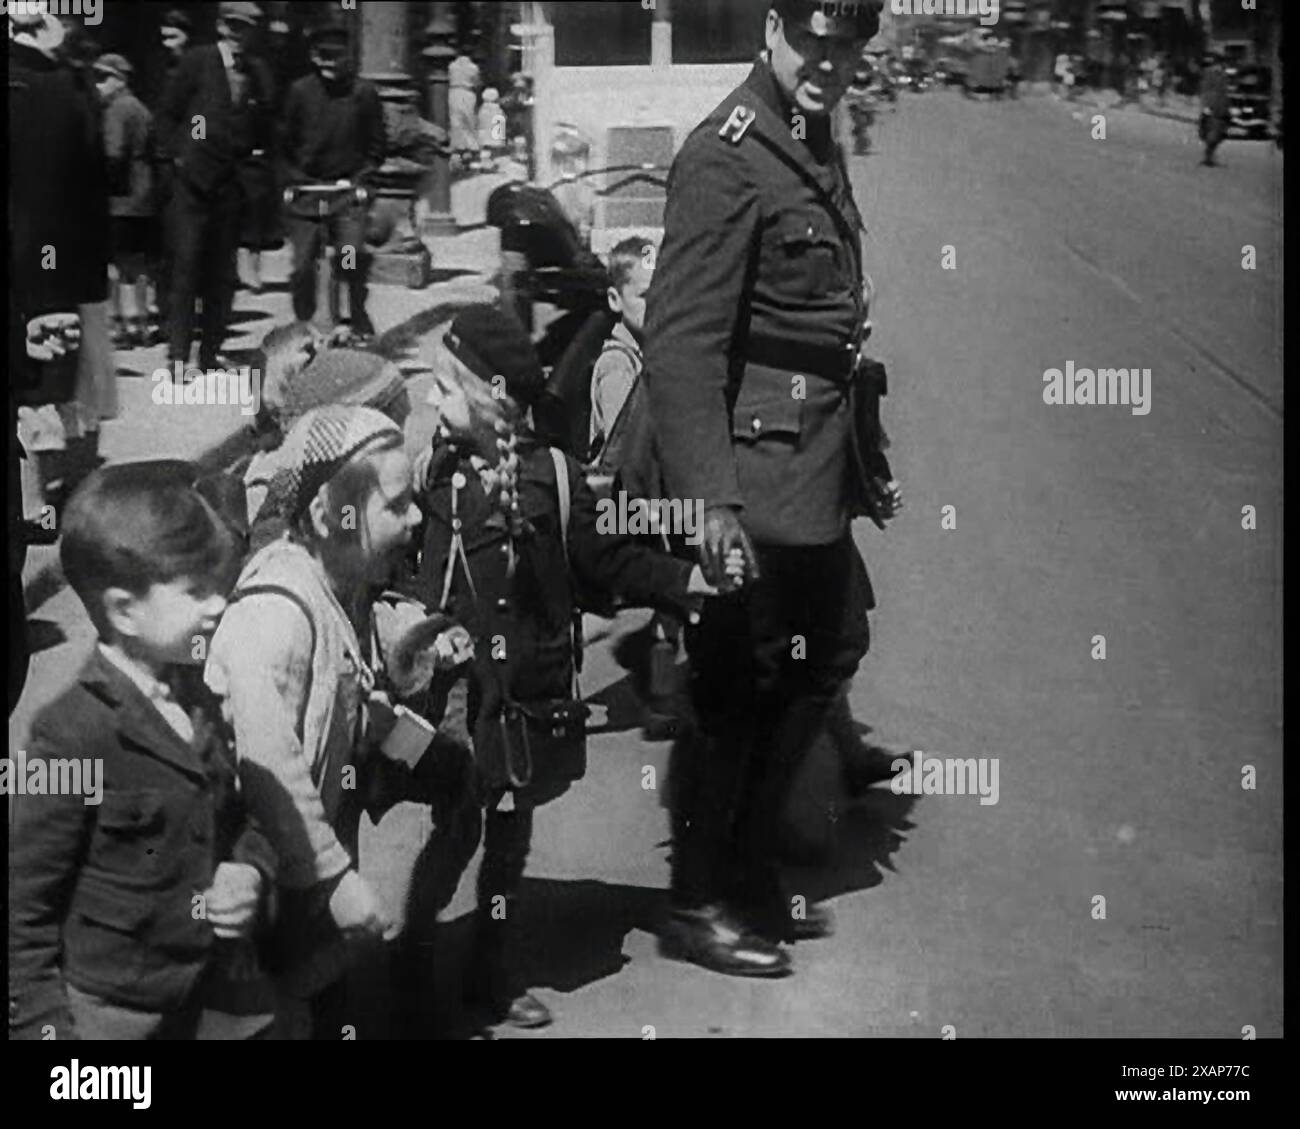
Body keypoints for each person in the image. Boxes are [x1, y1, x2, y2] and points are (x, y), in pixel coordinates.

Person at [641, 0, 906, 979]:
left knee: (826, 647)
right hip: (751, 479)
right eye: (813, 39)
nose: (829, 61)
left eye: (849, 43)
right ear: (771, 26)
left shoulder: (809, 136)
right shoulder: (725, 153)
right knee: (734, 689)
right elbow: (680, 342)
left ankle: (742, 870)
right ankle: (699, 899)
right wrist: (707, 503)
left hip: (810, 464)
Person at [409, 305, 726, 1031]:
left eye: (445, 389)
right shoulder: (433, 477)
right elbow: (404, 577)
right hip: (458, 699)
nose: (431, 401)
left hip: (526, 698)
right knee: (455, 832)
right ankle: (413, 961)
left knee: (509, 842)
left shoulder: (553, 474)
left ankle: (487, 970)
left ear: (493, 399)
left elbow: (604, 558)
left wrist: (682, 583)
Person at [205, 404, 463, 1039]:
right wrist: (333, 877)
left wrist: (414, 746)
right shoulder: (278, 614)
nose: (416, 519)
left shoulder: (336, 581)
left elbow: (347, 693)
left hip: (305, 856)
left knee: (327, 997)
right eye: (397, 505)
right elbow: (270, 760)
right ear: (328, 515)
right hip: (265, 871)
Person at [8, 462, 277, 1039]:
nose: (218, 605)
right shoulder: (69, 737)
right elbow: (23, 910)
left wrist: (248, 869)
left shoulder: (196, 691)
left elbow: (238, 814)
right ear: (124, 610)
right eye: (195, 591)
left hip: (201, 996)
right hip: (110, 1017)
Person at [157, 1, 273, 374]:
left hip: (231, 186)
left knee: (221, 275)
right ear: (222, 27)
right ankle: (178, 356)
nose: (240, 37)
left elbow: (264, 122)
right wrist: (179, 158)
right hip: (192, 186)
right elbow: (169, 113)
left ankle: (209, 353)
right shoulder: (198, 61)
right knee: (187, 267)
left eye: (247, 30)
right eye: (235, 28)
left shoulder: (255, 72)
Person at [281, 14, 385, 338]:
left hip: (347, 190)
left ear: (348, 56)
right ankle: (305, 326)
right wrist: (293, 179)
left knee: (349, 256)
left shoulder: (363, 93)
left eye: (336, 55)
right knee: (302, 267)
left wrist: (360, 180)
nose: (330, 62)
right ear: (313, 56)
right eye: (323, 55)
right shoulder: (299, 92)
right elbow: (283, 144)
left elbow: (376, 147)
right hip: (307, 189)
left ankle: (354, 314)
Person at [94, 53, 159, 349]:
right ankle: (141, 320)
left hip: (119, 199)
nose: (97, 85)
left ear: (119, 80)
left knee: (112, 264)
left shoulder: (117, 110)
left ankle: (117, 324)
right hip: (143, 197)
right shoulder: (141, 108)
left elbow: (114, 154)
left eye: (103, 78)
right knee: (139, 264)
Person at [448, 49, 481, 167]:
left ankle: (457, 147)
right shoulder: (473, 67)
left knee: (455, 121)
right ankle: (470, 148)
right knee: (469, 121)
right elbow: (477, 82)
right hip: (468, 93)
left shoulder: (451, 66)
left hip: (454, 92)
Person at [1199, 51, 1231, 167]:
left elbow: (1225, 92)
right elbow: (1206, 89)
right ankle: (1209, 157)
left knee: (1219, 133)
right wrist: (1206, 106)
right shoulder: (1210, 73)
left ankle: (1209, 156)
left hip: (1221, 107)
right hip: (1212, 106)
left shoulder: (1224, 75)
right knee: (1213, 133)